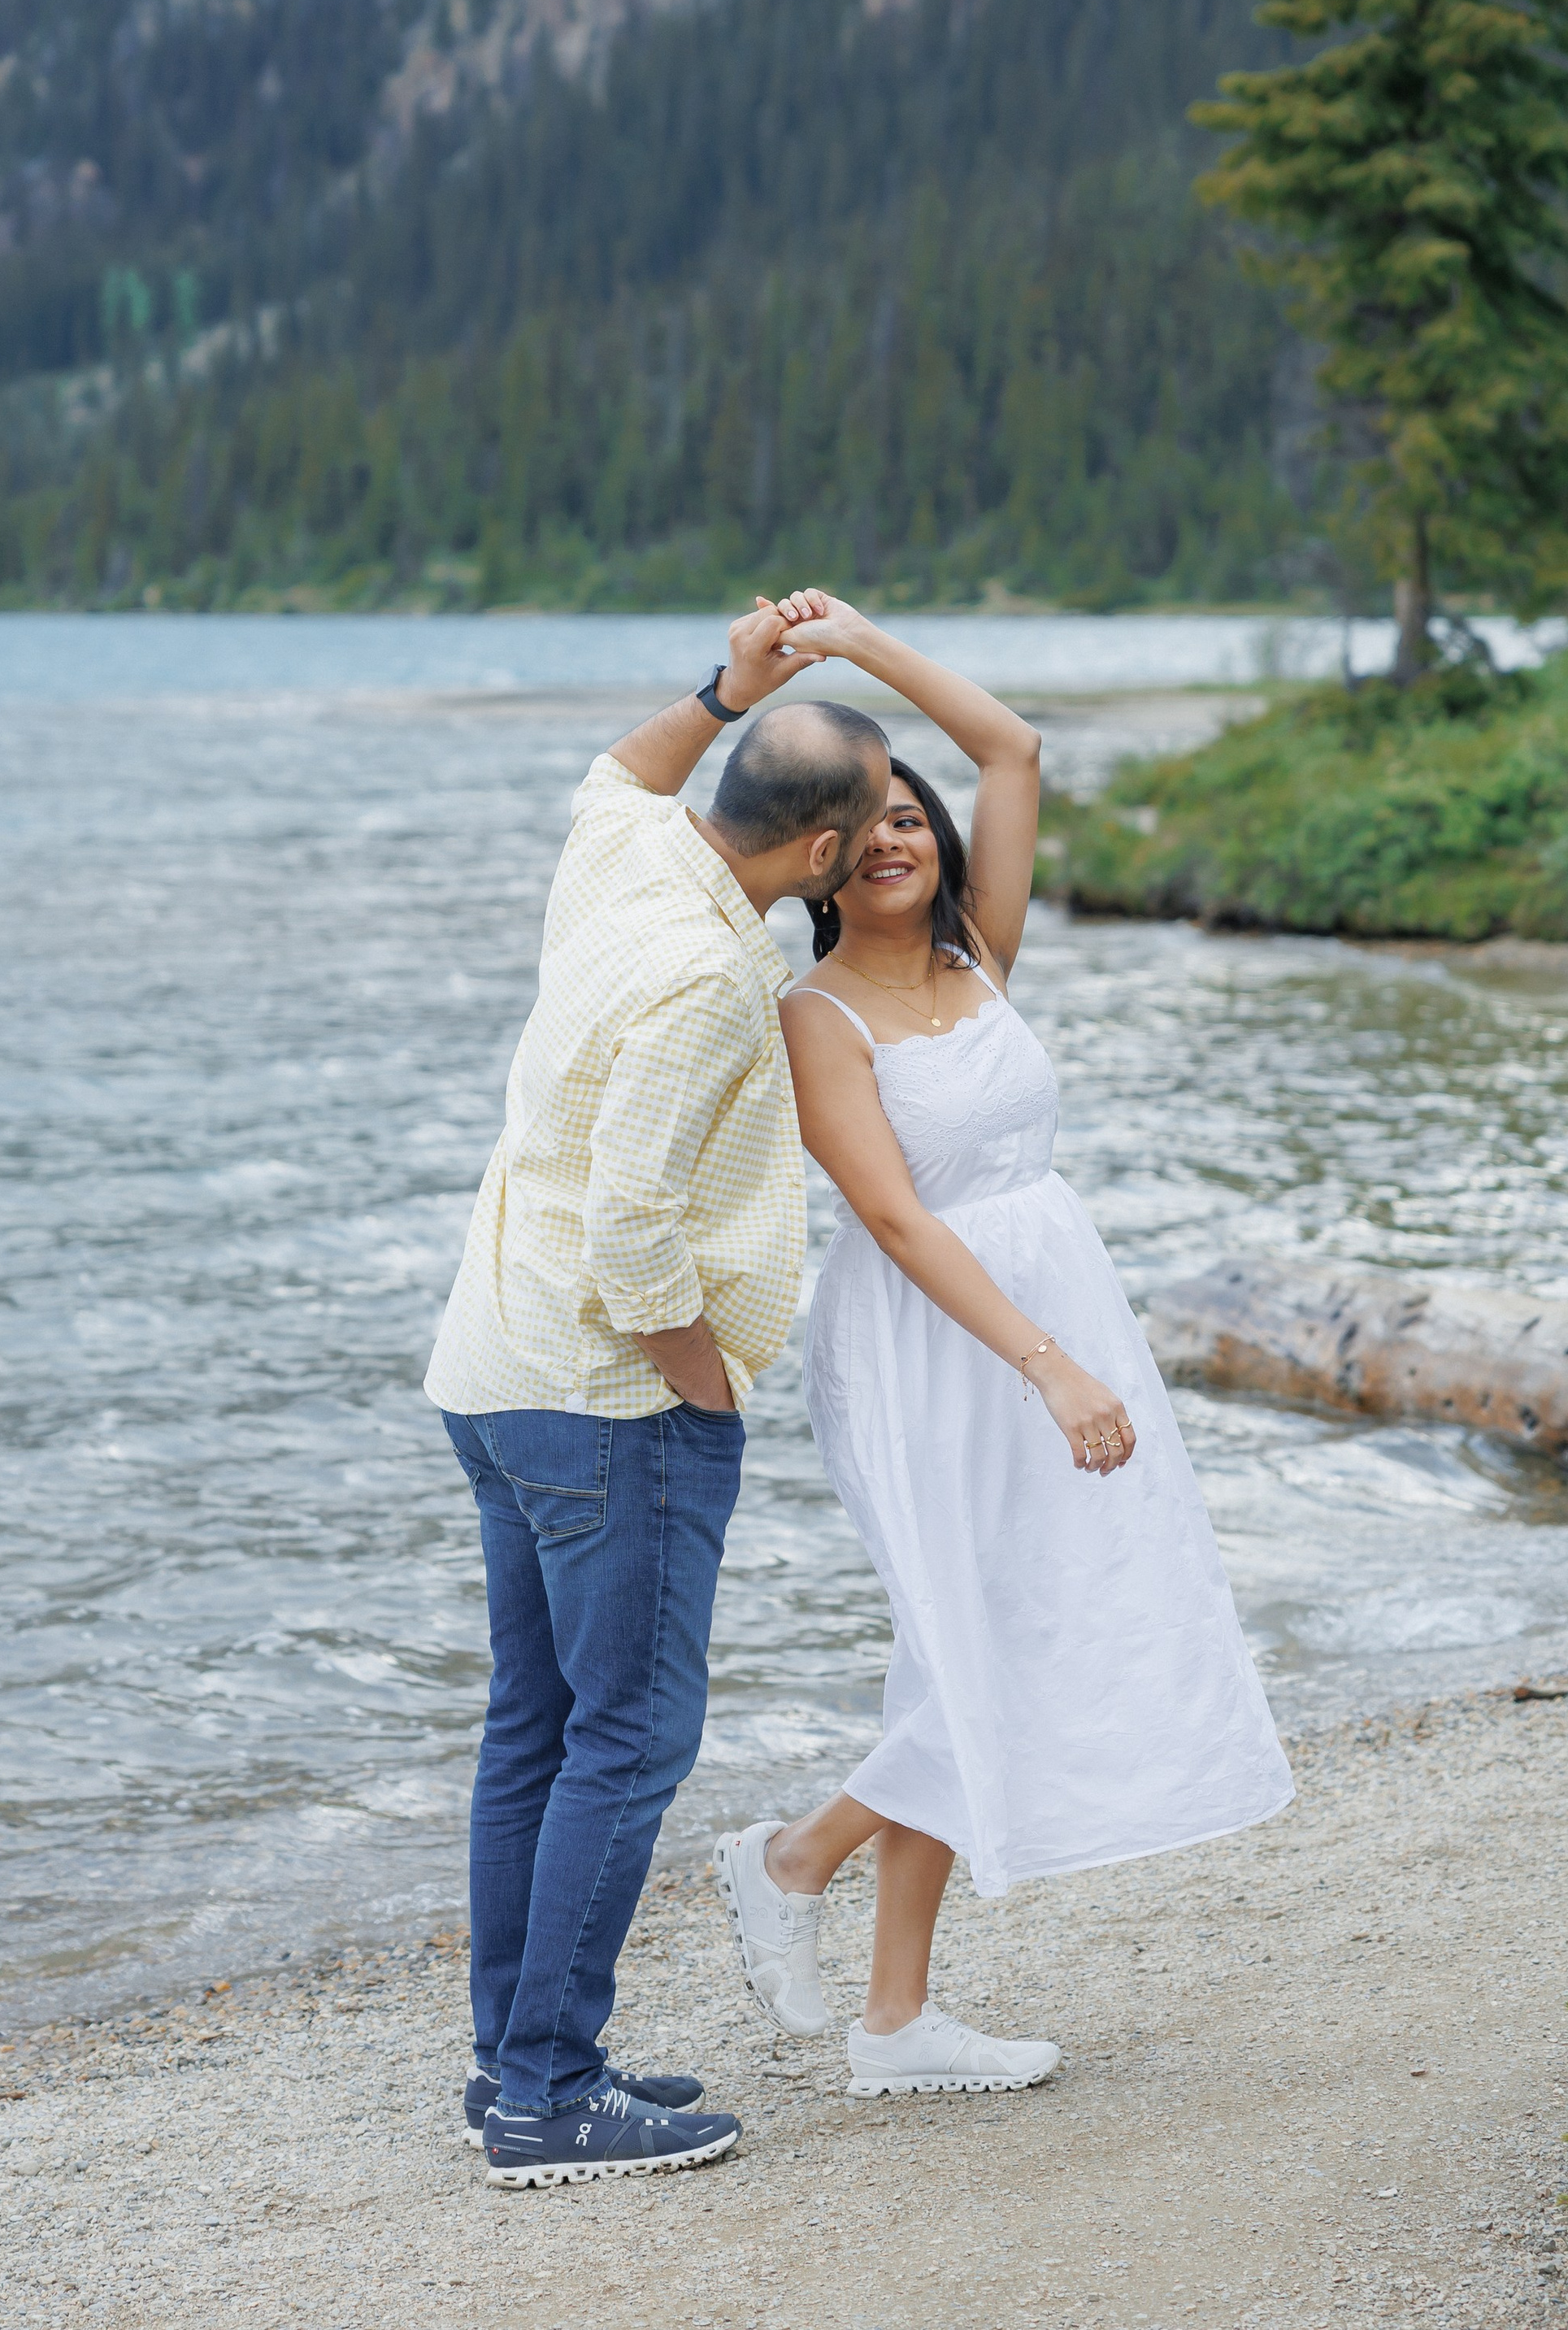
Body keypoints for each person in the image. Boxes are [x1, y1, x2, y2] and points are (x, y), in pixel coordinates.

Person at [713, 597, 1292, 2098]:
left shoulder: (984, 955)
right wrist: (1046, 1365)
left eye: (908, 811)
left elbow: (1013, 744)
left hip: (1053, 1304)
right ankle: (794, 1861)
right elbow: (898, 1223)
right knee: (979, 1636)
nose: (894, 837)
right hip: (933, 1339)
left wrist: (856, 650)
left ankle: (891, 2016)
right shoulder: (815, 1014)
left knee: (996, 1633)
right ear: (822, 860)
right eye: (861, 824)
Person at [426, 595, 888, 2187]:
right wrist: (703, 1390)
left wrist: (720, 685)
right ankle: (549, 2096)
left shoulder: (635, 857)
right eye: (873, 824)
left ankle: (511, 2067)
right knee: (625, 1737)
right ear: (822, 852)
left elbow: (611, 777)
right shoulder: (711, 968)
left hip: (490, 1367)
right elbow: (631, 1223)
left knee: (536, 1730)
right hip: (605, 1397)